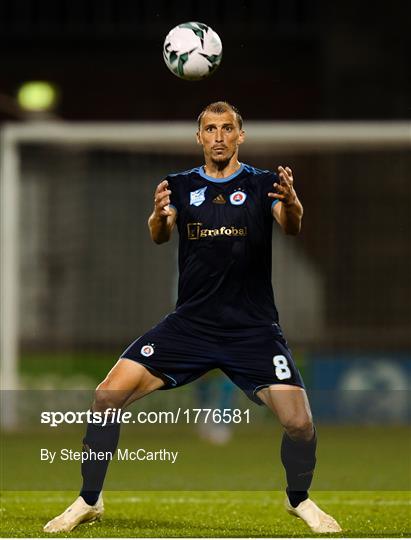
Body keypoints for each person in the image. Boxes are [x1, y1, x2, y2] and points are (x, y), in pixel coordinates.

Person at [44, 101, 342, 534]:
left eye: (227, 128)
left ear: (240, 136)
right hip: (191, 326)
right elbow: (160, 234)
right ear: (198, 137)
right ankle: (89, 499)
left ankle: (300, 500)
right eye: (209, 129)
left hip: (252, 329)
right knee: (107, 396)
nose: (218, 136)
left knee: (299, 424)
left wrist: (293, 203)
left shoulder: (262, 184)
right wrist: (158, 217)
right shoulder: (180, 186)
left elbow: (290, 225)